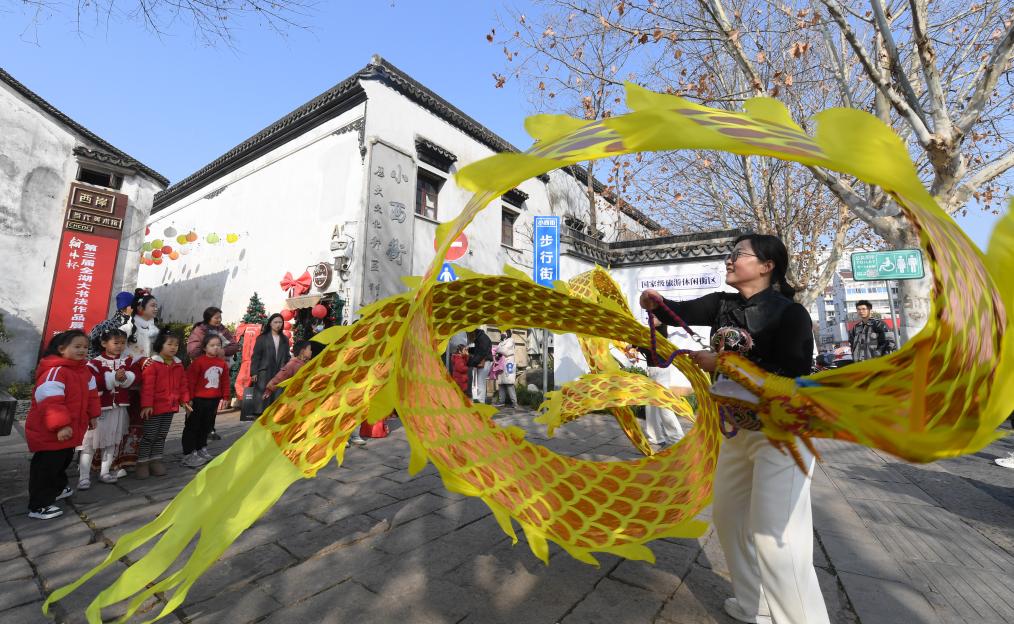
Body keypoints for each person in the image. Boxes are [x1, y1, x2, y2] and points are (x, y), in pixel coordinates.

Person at [640, 233, 828, 624]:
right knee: (728, 520)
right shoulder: (721, 304)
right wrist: (655, 302)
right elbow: (674, 310)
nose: (729, 260)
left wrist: (724, 364)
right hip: (737, 432)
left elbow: (791, 380)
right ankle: (753, 604)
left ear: (767, 266)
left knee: (777, 539)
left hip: (782, 435)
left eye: (738, 255)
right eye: (730, 254)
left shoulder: (790, 315)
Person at [25, 331, 100, 520]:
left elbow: (92, 395)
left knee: (63, 460)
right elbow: (51, 401)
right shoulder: (55, 371)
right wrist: (60, 425)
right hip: (50, 431)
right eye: (77, 346)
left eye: (85, 347)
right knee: (46, 467)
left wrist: (93, 415)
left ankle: (58, 488)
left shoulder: (84, 371)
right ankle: (39, 505)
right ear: (61, 349)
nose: (82, 350)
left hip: (70, 430)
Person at [82, 328, 136, 487]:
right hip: (99, 409)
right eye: (116, 343)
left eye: (123, 343)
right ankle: (83, 477)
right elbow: (93, 382)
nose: (120, 346)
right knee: (89, 443)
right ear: (104, 343)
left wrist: (126, 378)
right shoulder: (94, 363)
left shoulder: (127, 361)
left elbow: (134, 377)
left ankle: (104, 472)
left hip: (118, 409)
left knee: (112, 441)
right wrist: (113, 378)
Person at [138, 332, 191, 479]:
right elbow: (147, 387)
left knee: (161, 435)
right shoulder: (152, 364)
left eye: (176, 345)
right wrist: (147, 405)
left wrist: (185, 401)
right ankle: (142, 462)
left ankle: (156, 460)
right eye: (169, 344)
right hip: (154, 408)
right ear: (160, 345)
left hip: (170, 407)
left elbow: (183, 384)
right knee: (149, 435)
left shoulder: (178, 365)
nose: (173, 347)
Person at [182, 334, 230, 469]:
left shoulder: (222, 363)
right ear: (204, 347)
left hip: (213, 400)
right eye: (212, 345)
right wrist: (189, 399)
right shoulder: (198, 362)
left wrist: (226, 397)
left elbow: (225, 381)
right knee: (192, 426)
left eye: (218, 345)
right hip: (198, 400)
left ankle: (201, 448)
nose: (216, 348)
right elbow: (190, 382)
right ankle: (189, 453)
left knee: (206, 426)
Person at [636, 321, 685, 448]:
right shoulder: (652, 331)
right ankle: (655, 437)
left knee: (664, 405)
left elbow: (649, 346)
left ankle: (677, 438)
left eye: (654, 316)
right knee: (651, 405)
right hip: (653, 370)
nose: (650, 318)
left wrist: (635, 346)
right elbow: (645, 343)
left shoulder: (660, 332)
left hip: (660, 372)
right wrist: (635, 345)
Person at [250, 313, 290, 410]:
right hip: (265, 371)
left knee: (277, 396)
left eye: (280, 322)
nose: (278, 324)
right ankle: (260, 414)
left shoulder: (285, 339)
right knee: (263, 397)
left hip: (279, 371)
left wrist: (287, 369)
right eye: (275, 322)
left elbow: (287, 356)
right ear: (270, 323)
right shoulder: (262, 338)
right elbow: (256, 356)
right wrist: (254, 372)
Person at [88, 291, 135, 358]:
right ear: (124, 308)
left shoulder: (134, 324)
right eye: (133, 306)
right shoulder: (108, 325)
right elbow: (91, 345)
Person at [469, 328, 493, 404]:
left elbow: (481, 352)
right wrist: (469, 350)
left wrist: (472, 362)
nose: (469, 337)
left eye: (469, 335)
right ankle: (481, 401)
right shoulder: (480, 337)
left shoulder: (482, 338)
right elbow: (478, 350)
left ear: (473, 332)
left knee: (480, 383)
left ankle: (481, 402)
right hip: (485, 362)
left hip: (485, 362)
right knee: (481, 382)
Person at [494, 330, 518, 409]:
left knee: (509, 383)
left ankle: (514, 402)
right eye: (501, 332)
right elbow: (498, 351)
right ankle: (501, 401)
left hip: (508, 363)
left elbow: (505, 351)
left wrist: (497, 350)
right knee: (501, 383)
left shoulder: (510, 341)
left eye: (503, 332)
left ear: (507, 333)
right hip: (501, 364)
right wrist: (497, 353)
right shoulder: (501, 342)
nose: (502, 334)